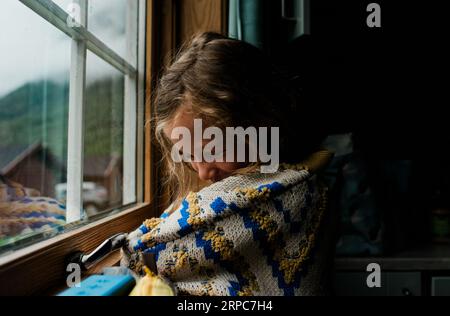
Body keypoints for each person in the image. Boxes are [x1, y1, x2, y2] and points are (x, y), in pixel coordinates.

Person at [122, 32, 334, 296]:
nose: (203, 171)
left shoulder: (292, 193)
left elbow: (144, 253)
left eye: (215, 149)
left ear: (262, 125)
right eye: (188, 155)